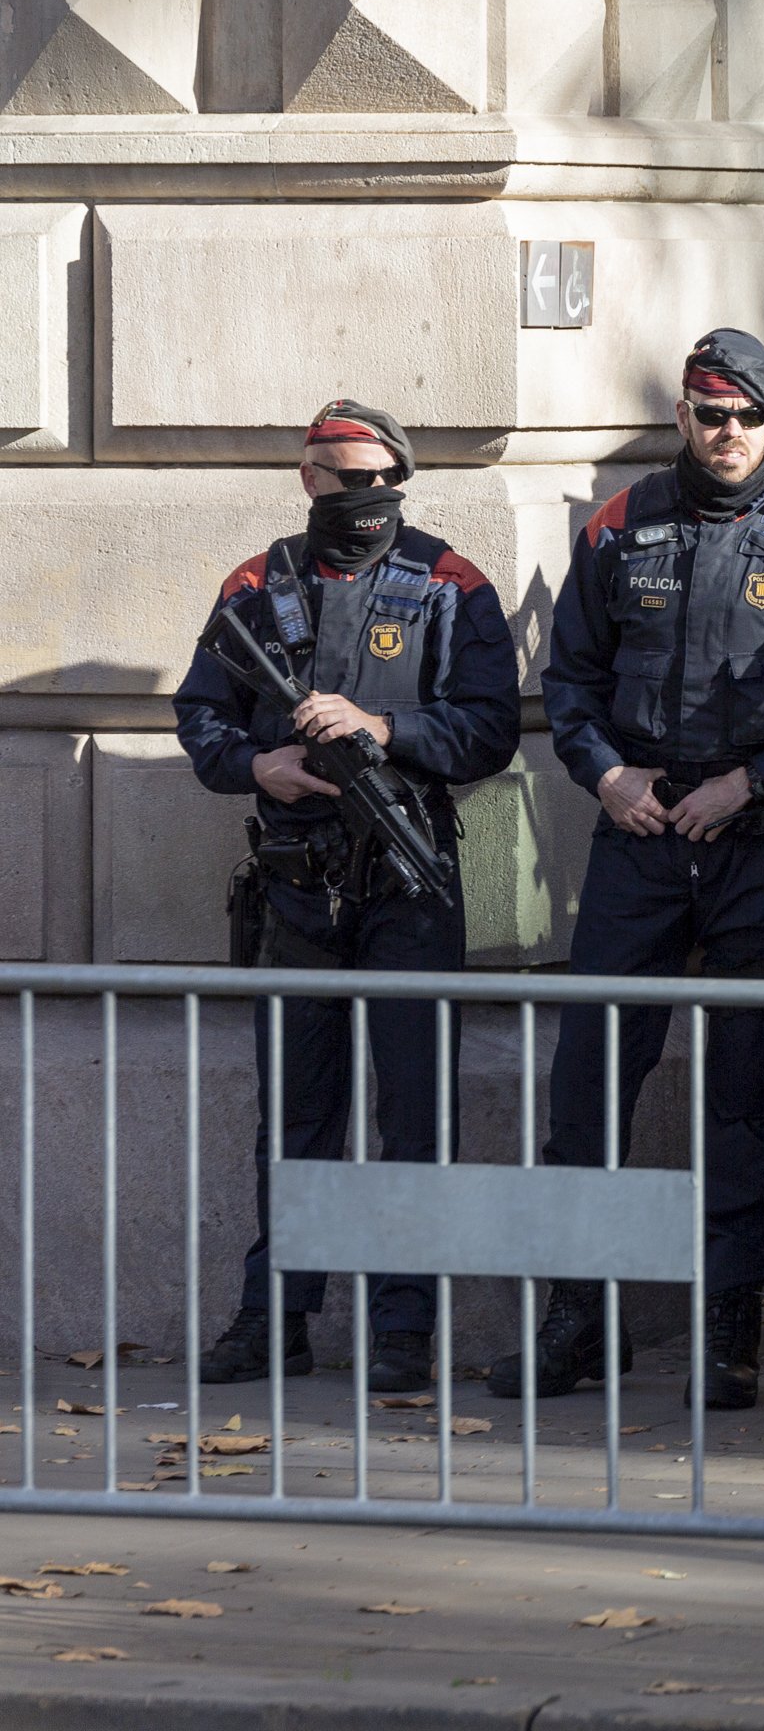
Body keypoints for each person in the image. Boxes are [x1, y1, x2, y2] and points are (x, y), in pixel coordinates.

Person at [495, 329, 764, 1410]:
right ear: (681, 414)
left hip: (758, 837)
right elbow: (568, 677)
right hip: (641, 834)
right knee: (587, 1086)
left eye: (747, 416)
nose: (726, 432)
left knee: (743, 1093)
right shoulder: (622, 524)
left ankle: (730, 1327)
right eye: (709, 411)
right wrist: (609, 774)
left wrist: (750, 783)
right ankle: (578, 1317)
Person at [172, 401, 519, 1390]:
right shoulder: (256, 583)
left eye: (376, 480)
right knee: (296, 1114)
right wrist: (259, 763)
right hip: (297, 885)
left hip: (411, 880)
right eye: (337, 475)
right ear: (305, 474)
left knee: (416, 1112)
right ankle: (273, 1314)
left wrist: (381, 727)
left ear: (399, 480)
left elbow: (491, 728)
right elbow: (198, 715)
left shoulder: (450, 583)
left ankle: (402, 1328)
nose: (357, 496)